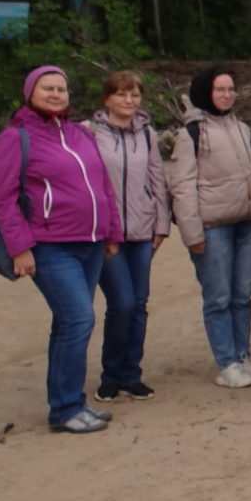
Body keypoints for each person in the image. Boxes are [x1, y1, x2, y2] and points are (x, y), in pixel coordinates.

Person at [0, 66, 122, 432]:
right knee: (79, 318)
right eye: (47, 88)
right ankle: (64, 409)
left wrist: (111, 232)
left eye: (61, 88)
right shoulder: (15, 138)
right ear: (30, 92)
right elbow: (4, 200)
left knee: (71, 322)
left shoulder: (80, 134)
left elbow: (102, 186)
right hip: (49, 246)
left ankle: (72, 402)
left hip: (90, 243)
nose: (56, 94)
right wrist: (20, 248)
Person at [167, 66, 251, 388]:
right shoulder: (191, 133)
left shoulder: (242, 129)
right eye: (220, 89)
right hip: (213, 228)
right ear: (204, 93)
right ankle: (226, 362)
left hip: (246, 223)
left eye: (230, 89)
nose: (227, 95)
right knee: (218, 296)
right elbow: (182, 186)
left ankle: (242, 355)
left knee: (242, 295)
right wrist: (192, 234)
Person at [86, 70, 170, 403]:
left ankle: (131, 374)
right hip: (107, 233)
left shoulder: (147, 134)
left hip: (142, 229)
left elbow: (157, 178)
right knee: (120, 302)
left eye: (135, 95)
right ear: (107, 98)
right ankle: (110, 374)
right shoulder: (90, 133)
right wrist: (101, 228)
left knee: (138, 303)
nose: (129, 100)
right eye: (122, 94)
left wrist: (161, 224)